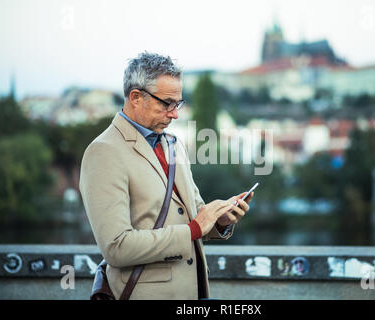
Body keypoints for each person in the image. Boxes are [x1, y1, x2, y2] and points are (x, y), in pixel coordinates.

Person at [79, 52, 253, 300]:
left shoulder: (174, 143)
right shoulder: (104, 151)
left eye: (178, 103)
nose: (175, 114)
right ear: (136, 97)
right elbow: (116, 248)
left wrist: (220, 220)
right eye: (166, 103)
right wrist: (193, 230)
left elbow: (195, 213)